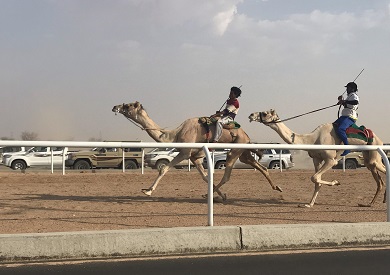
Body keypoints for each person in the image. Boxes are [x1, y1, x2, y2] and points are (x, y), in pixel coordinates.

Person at [334, 82, 359, 156]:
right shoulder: (349, 96)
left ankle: (347, 148)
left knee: (340, 129)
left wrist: (344, 101)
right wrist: (342, 101)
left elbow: (355, 102)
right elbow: (347, 104)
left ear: (352, 89)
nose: (347, 89)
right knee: (333, 126)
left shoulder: (354, 96)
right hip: (344, 116)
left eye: (348, 88)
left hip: (350, 117)